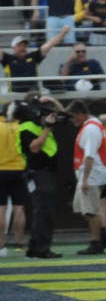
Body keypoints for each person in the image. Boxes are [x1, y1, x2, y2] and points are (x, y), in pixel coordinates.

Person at [15, 97, 65, 258]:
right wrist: (47, 128)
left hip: (45, 172)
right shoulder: (26, 127)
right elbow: (35, 148)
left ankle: (35, 247)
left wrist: (51, 99)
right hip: (39, 172)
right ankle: (42, 248)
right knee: (44, 211)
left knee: (42, 211)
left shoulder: (37, 124)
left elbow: (64, 114)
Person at [69, 100, 106, 255]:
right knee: (86, 209)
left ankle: (96, 242)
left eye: (74, 116)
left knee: (90, 211)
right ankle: (103, 234)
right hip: (91, 174)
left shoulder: (90, 129)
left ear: (81, 114)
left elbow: (89, 156)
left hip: (91, 175)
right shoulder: (92, 124)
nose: (73, 119)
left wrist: (85, 179)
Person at [1, 27, 72, 93]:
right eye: (19, 45)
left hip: (33, 94)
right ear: (13, 48)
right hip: (14, 94)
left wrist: (63, 33)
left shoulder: (33, 56)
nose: (23, 48)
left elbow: (49, 44)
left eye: (24, 45)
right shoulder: (8, 58)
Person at [0, 107, 27, 256]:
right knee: (19, 208)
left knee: (1, 209)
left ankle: (1, 246)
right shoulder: (20, 127)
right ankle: (19, 244)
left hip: (0, 170)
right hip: (18, 170)